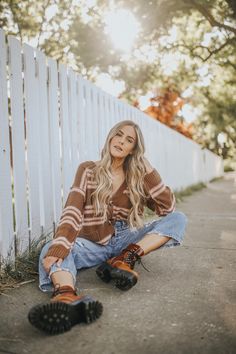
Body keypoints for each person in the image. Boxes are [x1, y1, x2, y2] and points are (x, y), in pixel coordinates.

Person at [28, 120, 187, 335]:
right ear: (110, 137)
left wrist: (149, 170)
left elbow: (167, 208)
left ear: (133, 150)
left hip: (126, 239)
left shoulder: (138, 179)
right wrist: (60, 245)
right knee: (51, 248)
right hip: (94, 243)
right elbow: (73, 210)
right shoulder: (88, 169)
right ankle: (66, 297)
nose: (121, 141)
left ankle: (125, 259)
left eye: (129, 140)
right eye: (118, 135)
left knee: (179, 218)